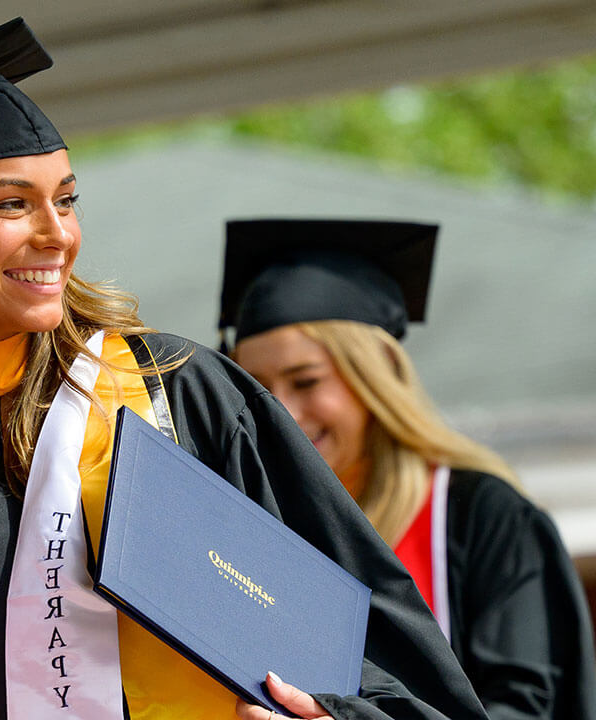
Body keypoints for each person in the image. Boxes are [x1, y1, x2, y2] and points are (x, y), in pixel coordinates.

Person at [0, 18, 487, 720]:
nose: (57, 234)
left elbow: (378, 656)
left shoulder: (175, 393)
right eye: (11, 203)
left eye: (65, 199)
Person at [222, 218, 596, 719]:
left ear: (378, 378)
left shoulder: (480, 518)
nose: (281, 414)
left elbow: (527, 708)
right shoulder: (251, 529)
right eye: (258, 389)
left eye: (307, 381)